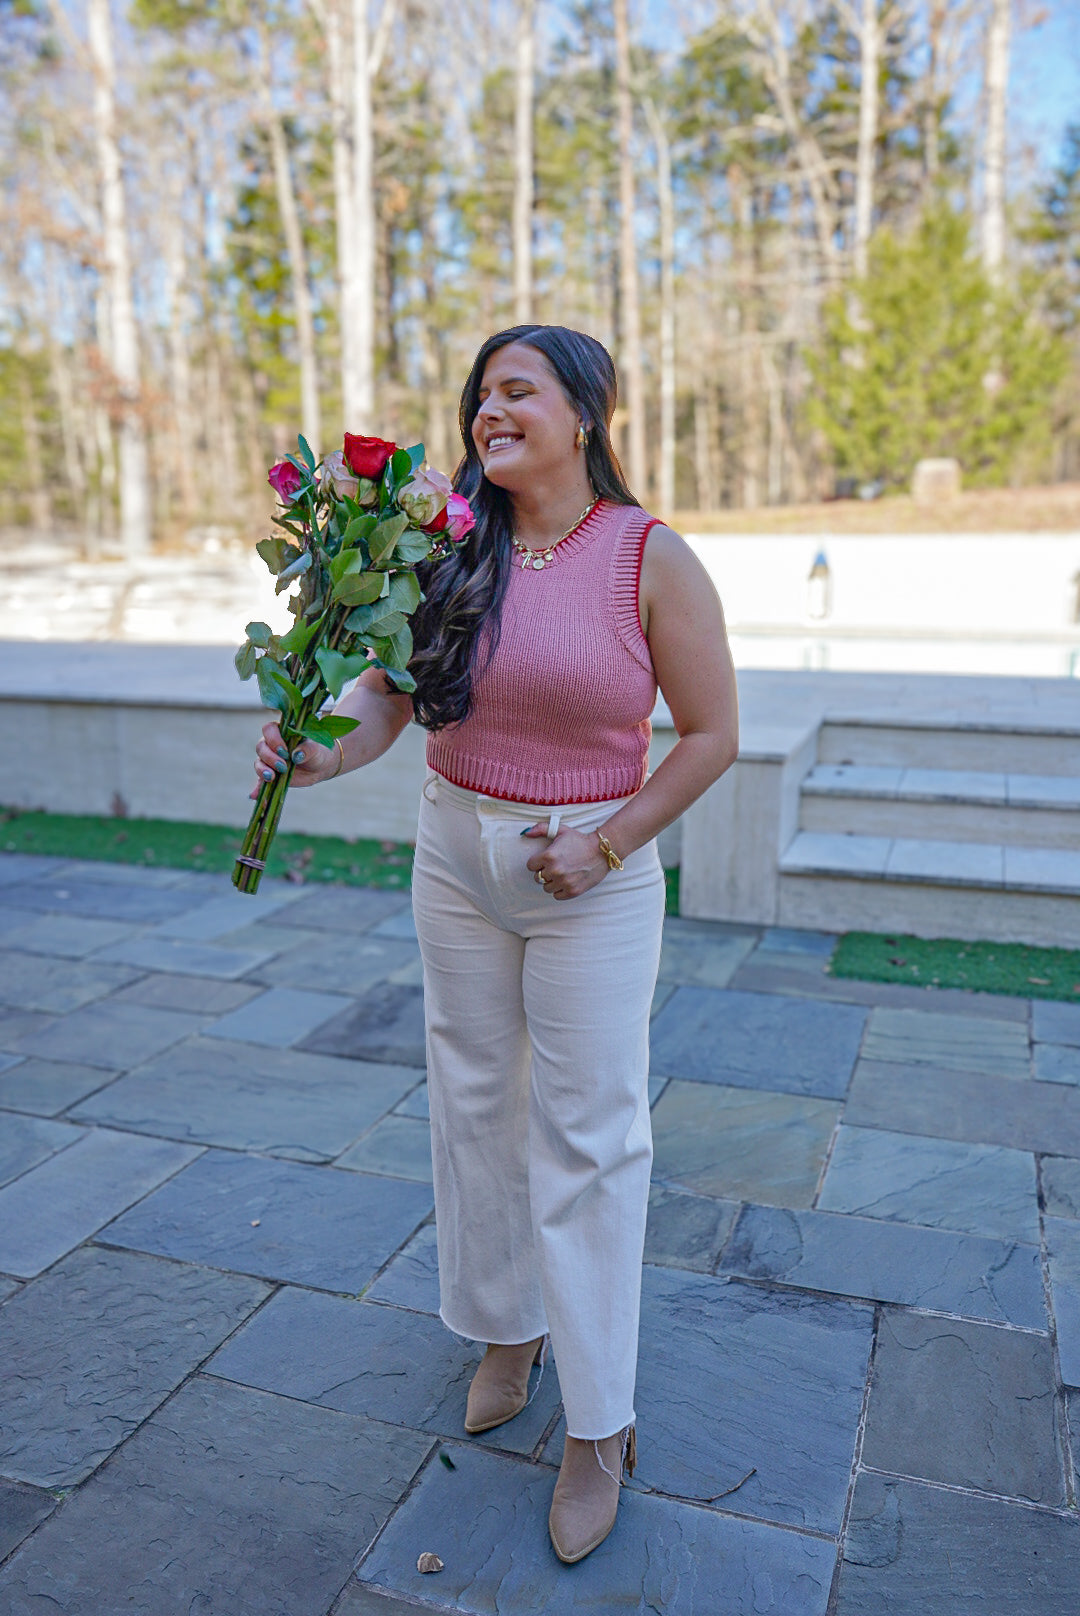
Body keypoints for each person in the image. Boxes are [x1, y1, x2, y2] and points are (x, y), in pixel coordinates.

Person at [252, 324, 739, 1564]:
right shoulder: (445, 544)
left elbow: (711, 734)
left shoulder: (649, 557)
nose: (489, 409)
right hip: (453, 850)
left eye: (518, 389)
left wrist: (611, 842)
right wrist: (324, 748)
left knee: (588, 1135)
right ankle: (505, 1327)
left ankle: (597, 1422)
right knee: (473, 1102)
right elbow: (394, 699)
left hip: (587, 870)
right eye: (481, 392)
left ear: (586, 412)